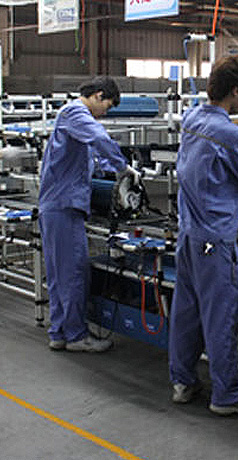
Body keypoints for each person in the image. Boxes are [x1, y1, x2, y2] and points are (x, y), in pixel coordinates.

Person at [168, 55, 238, 416]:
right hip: (216, 240)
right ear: (237, 92)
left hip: (189, 235)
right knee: (220, 317)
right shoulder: (231, 134)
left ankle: (183, 382)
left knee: (186, 313)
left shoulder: (193, 117)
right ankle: (227, 395)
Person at [39, 76, 138, 352]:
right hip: (64, 207)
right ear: (98, 95)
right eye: (107, 105)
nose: (105, 113)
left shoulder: (72, 120)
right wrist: (123, 167)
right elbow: (99, 138)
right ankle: (75, 336)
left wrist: (114, 167)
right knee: (73, 272)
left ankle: (60, 331)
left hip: (57, 206)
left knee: (59, 273)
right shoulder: (75, 113)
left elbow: (93, 155)